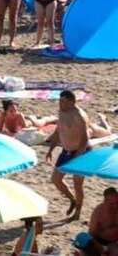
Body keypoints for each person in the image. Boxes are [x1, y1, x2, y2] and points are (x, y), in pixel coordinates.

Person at [46, 90, 90, 220]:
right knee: (56, 179)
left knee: (77, 184)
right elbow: (57, 132)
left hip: (81, 152)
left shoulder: (80, 116)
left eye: (63, 101)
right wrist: (51, 150)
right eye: (59, 101)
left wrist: (78, 156)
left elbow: (85, 138)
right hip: (66, 151)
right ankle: (72, 200)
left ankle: (77, 213)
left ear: (71, 102)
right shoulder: (62, 112)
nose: (60, 103)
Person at [88, 188, 118, 254]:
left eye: (117, 202)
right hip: (99, 242)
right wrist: (99, 246)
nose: (115, 206)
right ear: (105, 201)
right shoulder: (99, 211)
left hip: (114, 243)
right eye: (112, 204)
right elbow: (91, 233)